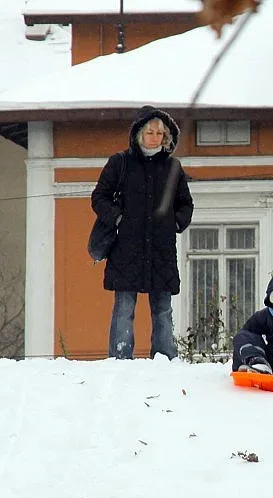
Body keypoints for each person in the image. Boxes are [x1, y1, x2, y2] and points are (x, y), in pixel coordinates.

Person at [91, 105, 194, 360]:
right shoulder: (120, 163)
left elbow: (186, 204)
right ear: (139, 134)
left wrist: (176, 222)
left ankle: (165, 358)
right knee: (124, 307)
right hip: (126, 248)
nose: (155, 138)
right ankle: (120, 356)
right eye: (151, 132)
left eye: (160, 133)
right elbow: (99, 197)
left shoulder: (173, 168)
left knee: (162, 309)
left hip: (161, 250)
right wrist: (118, 217)